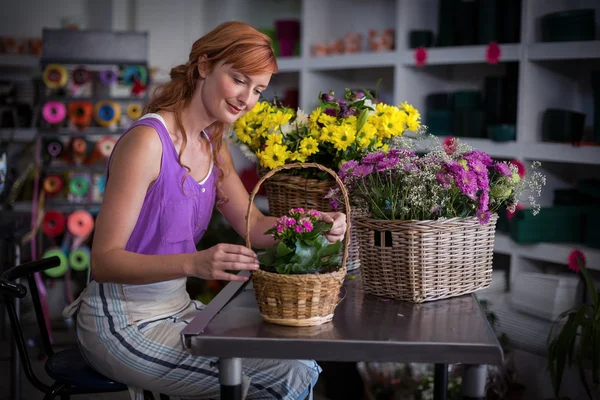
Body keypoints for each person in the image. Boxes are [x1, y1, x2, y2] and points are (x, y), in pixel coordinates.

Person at [63, 21, 346, 399]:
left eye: (258, 89)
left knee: (296, 361)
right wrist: (192, 263)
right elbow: (104, 261)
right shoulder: (148, 143)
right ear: (203, 65)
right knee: (288, 375)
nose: (247, 99)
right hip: (123, 323)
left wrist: (310, 223)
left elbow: (256, 226)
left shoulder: (213, 143)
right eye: (239, 79)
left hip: (178, 310)